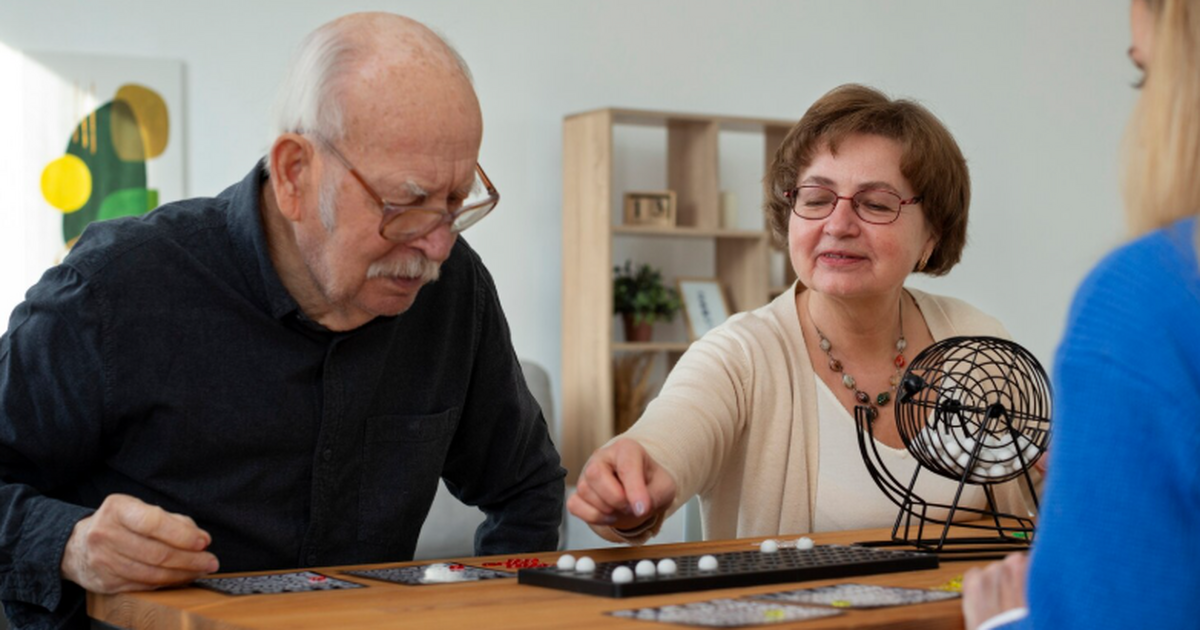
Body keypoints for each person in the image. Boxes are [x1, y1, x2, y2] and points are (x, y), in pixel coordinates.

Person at [0, 13, 565, 629]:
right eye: (404, 206)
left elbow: (525, 491)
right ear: (296, 173)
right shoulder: (112, 290)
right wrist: (70, 542)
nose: (436, 247)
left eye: (455, 203)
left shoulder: (454, 291)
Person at [569, 84, 1040, 543]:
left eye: (876, 204)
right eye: (815, 199)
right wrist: (628, 487)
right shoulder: (739, 356)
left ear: (932, 236)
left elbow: (1047, 499)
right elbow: (668, 442)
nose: (837, 225)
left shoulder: (977, 338)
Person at [962, 1, 1200, 628]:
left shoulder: (1147, 300)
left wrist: (1007, 621)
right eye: (815, 198)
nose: (838, 225)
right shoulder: (746, 346)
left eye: (1147, 76)